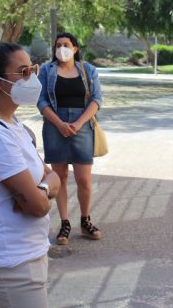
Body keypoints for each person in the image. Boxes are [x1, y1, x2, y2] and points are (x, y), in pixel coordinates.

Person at [0, 38, 60, 308]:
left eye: (33, 69)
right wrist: (44, 189)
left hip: (23, 255)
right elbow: (38, 206)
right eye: (23, 72)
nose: (32, 79)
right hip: (10, 262)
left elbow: (52, 177)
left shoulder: (12, 124)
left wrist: (42, 187)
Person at [37, 32, 103, 245]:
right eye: (57, 45)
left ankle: (85, 220)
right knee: (60, 177)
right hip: (55, 125)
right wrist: (60, 123)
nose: (61, 49)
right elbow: (41, 101)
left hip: (82, 126)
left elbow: (96, 100)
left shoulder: (88, 70)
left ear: (75, 48)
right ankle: (65, 223)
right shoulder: (47, 71)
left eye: (65, 45)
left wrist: (78, 123)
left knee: (84, 179)